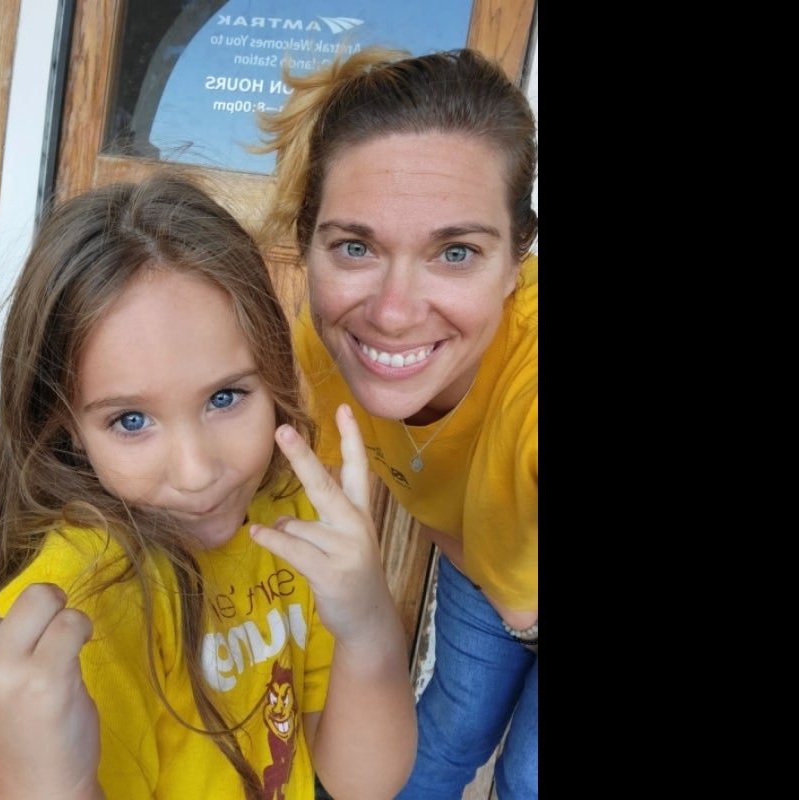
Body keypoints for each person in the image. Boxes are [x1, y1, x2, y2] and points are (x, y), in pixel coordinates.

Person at [0, 172, 417, 800]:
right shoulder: (77, 613)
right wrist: (46, 784)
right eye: (131, 421)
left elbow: (364, 782)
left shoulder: (287, 516)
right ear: (66, 426)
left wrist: (368, 623)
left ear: (271, 370)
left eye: (226, 397)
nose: (197, 473)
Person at [252, 47, 538, 799]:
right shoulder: (324, 346)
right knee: (443, 733)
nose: (393, 313)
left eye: (454, 252)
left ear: (517, 264)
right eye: (355, 246)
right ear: (308, 243)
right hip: (484, 573)